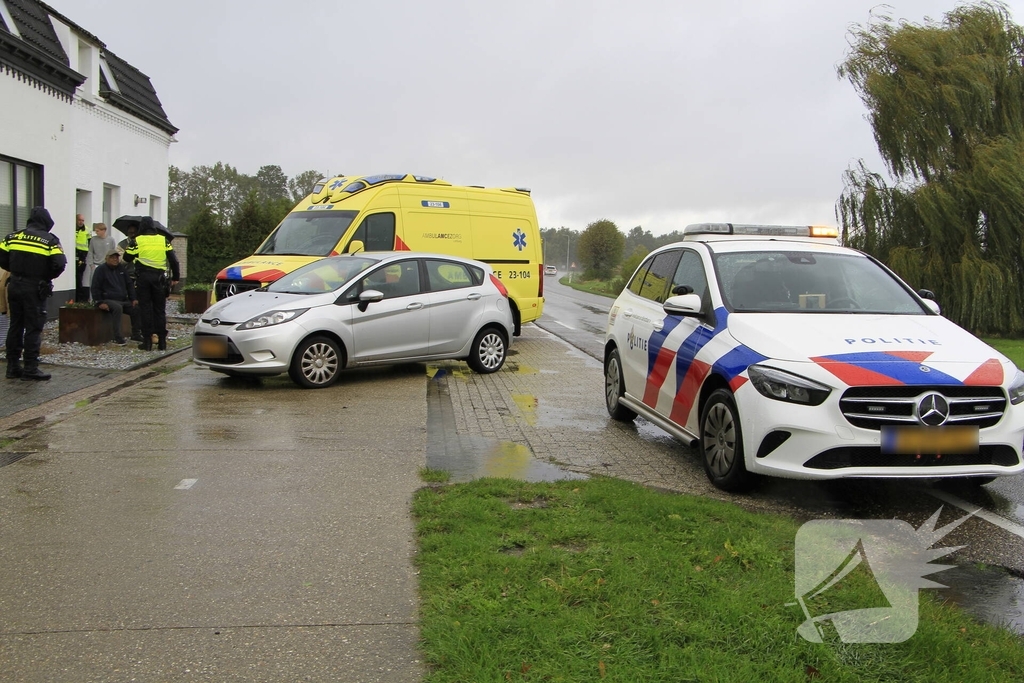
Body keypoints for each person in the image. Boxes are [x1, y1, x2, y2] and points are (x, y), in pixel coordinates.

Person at [0, 207, 67, 380]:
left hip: (14, 285)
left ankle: (12, 367)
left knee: (15, 325)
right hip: (34, 288)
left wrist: (16, 272)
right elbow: (59, 264)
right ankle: (30, 368)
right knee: (33, 327)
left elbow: (2, 258)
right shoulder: (50, 240)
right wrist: (45, 277)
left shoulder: (12, 236)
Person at [124, 216, 179, 351]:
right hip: (159, 279)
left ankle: (147, 342)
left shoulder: (137, 240)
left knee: (145, 310)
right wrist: (175, 277)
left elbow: (126, 257)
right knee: (160, 310)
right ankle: (162, 342)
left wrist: (135, 251)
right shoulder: (163, 240)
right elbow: (174, 260)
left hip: (143, 278)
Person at [91, 251, 140, 346]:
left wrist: (133, 298)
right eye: (112, 257)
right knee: (117, 308)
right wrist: (100, 302)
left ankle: (136, 334)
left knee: (136, 308)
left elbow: (129, 284)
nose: (115, 259)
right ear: (107, 258)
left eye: (116, 258)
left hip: (122, 299)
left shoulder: (121, 269)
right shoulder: (100, 270)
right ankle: (117, 337)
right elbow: (95, 287)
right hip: (108, 299)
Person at [86, 222, 116, 299]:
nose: (96, 232)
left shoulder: (111, 240)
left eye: (98, 231)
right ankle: (92, 301)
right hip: (96, 265)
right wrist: (91, 264)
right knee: (94, 283)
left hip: (107, 265)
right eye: (96, 231)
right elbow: (90, 252)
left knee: (107, 283)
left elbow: (113, 252)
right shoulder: (93, 239)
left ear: (104, 230)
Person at [75, 213, 89, 302]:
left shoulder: (87, 230)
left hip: (82, 255)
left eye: (82, 220)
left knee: (79, 276)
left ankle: (79, 297)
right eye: (79, 220)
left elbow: (90, 243)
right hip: (73, 253)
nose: (81, 222)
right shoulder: (72, 228)